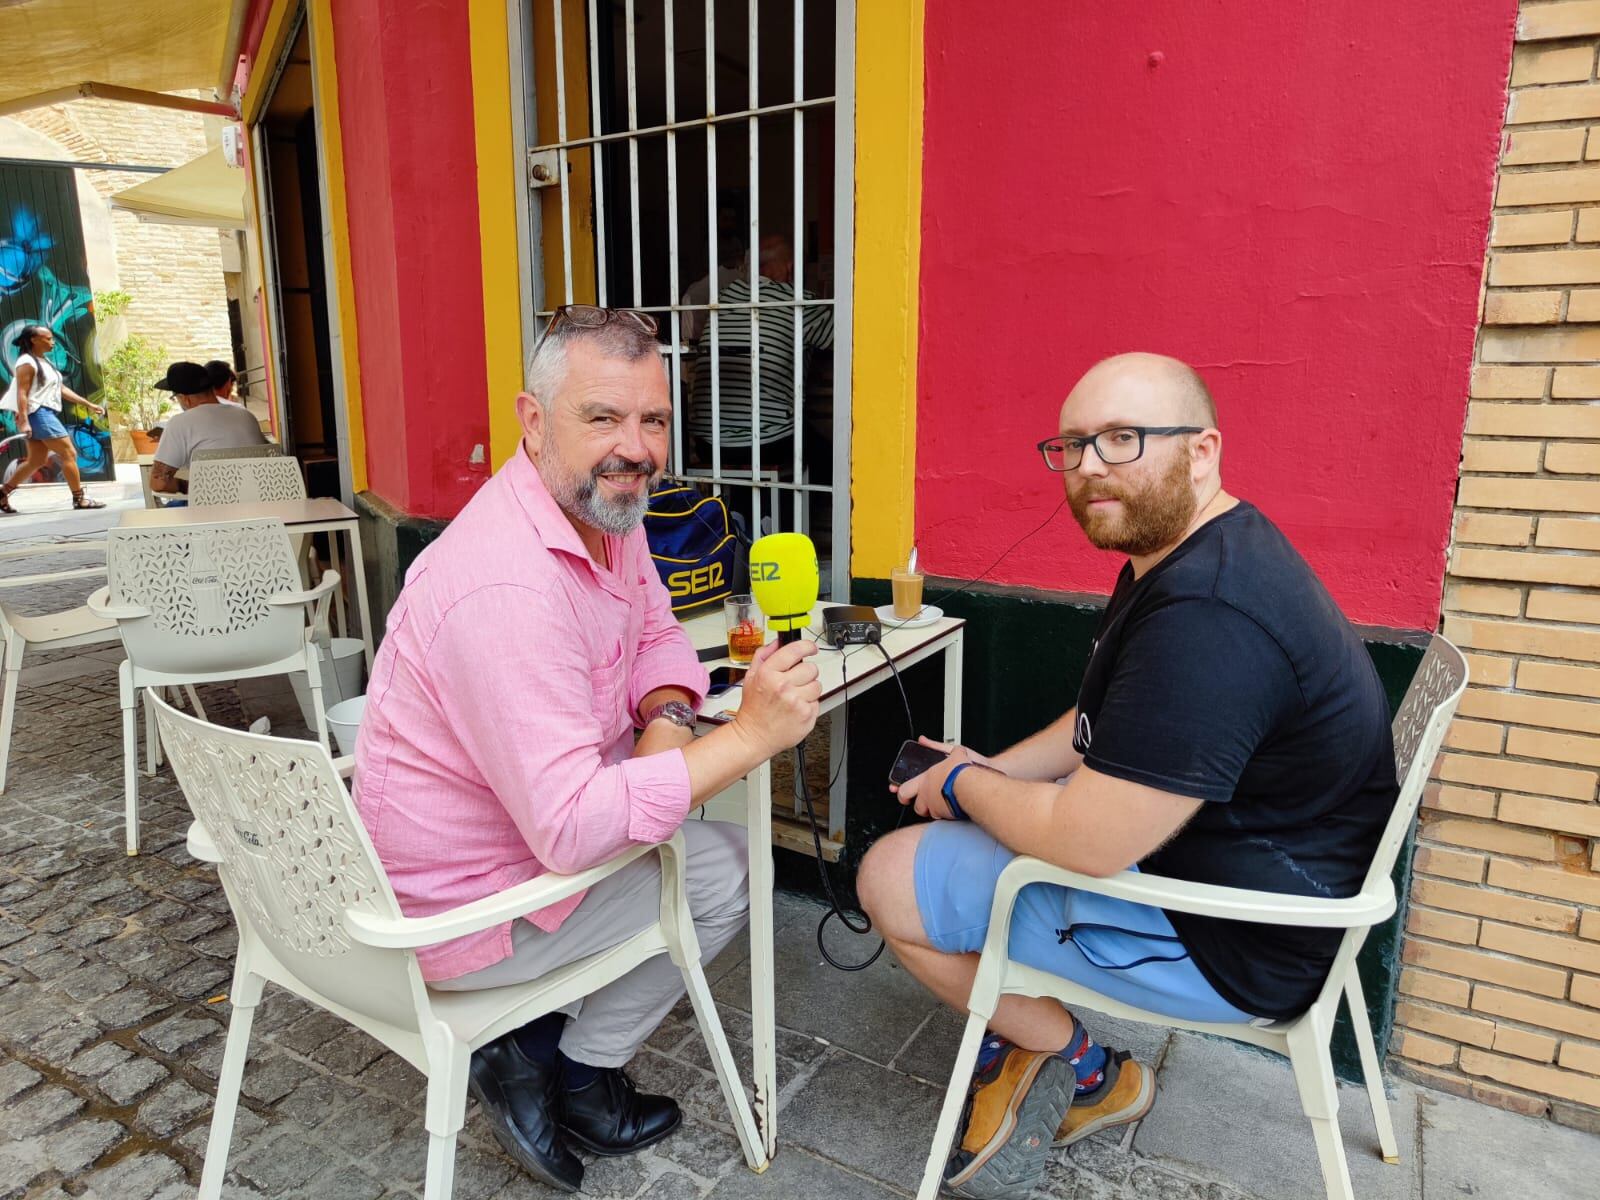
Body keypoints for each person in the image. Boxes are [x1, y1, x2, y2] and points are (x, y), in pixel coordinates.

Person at [857, 353, 1398, 1199]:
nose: (1090, 467)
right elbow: (1097, 731)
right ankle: (1033, 1041)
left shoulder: (1209, 616)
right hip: (1243, 874)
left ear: (1203, 450)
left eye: (1122, 438)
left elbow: (1088, 840)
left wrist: (964, 789)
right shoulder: (1188, 550)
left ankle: (1084, 1069)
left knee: (888, 878)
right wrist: (985, 769)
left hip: (1233, 934)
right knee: (968, 829)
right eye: (1073, 445)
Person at [353, 305, 821, 1193]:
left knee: (693, 842)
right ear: (533, 420)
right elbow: (571, 834)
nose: (636, 448)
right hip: (462, 913)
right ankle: (549, 1056)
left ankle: (544, 1050)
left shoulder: (600, 509)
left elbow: (659, 636)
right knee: (728, 870)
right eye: (602, 417)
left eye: (652, 420)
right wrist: (754, 735)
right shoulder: (505, 583)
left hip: (510, 852)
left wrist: (670, 721)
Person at [685, 233, 833, 461]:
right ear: (791, 268)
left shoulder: (723, 299)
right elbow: (851, 342)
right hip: (768, 442)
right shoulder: (799, 303)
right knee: (835, 460)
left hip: (708, 444)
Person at [0, 325, 107, 513]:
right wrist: (24, 420)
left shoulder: (43, 362)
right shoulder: (27, 362)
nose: (53, 342)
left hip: (42, 414)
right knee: (69, 453)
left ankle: (2, 494)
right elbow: (22, 393)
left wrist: (88, 404)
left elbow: (61, 389)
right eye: (48, 338)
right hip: (38, 414)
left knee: (36, 461)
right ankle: (79, 498)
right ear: (34, 340)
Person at [147, 361, 266, 496]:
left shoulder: (179, 423)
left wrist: (195, 485)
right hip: (259, 503)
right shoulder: (246, 415)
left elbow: (158, 482)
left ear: (185, 399)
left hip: (211, 509)